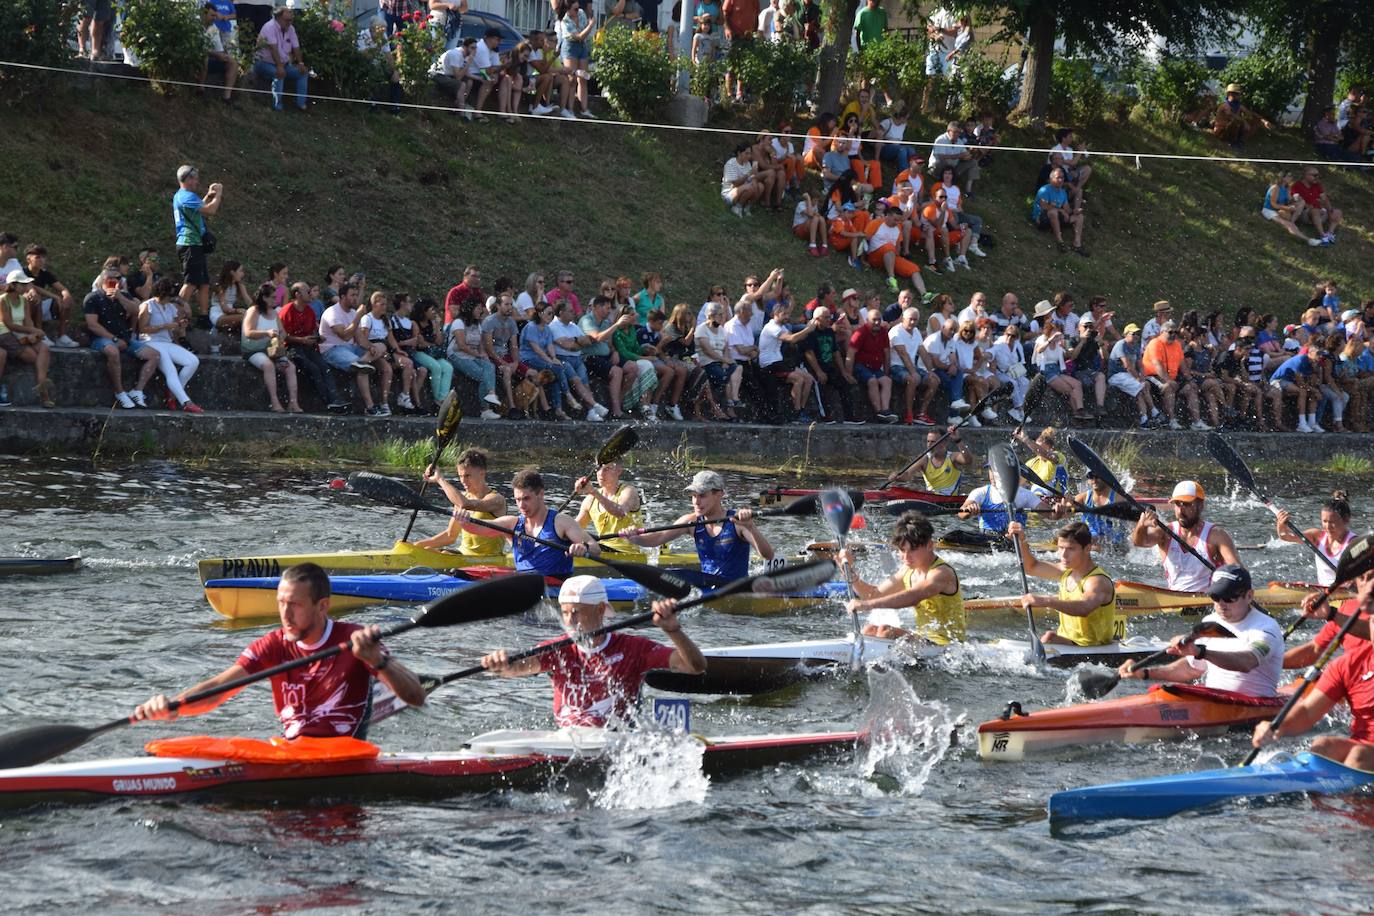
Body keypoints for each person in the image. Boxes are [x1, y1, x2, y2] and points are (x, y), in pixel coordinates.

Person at [133, 563, 425, 738]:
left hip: (345, 758)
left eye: (294, 605)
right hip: (294, 752)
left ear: (322, 606)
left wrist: (378, 660)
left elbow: (415, 696)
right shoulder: (274, 645)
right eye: (280, 603)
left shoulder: (354, 640)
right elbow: (219, 688)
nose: (285, 613)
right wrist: (174, 706)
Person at [479, 576, 705, 727]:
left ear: (599, 610)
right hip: (569, 741)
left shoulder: (634, 648)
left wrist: (673, 630)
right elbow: (519, 667)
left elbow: (695, 667)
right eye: (565, 612)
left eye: (576, 612)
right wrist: (500, 665)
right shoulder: (557, 649)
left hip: (617, 742)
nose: (569, 621)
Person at [1255, 570, 1374, 770]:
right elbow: (1308, 712)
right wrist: (1275, 727)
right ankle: (1323, 798)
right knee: (1322, 746)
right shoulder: (1347, 665)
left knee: (1358, 755)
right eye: (1363, 578)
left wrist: (1331, 614)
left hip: (1363, 754)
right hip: (1364, 744)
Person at [1118, 564, 1282, 698]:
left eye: (1230, 598)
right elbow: (1191, 669)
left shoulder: (1266, 629)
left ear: (1249, 596)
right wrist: (1145, 673)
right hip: (1213, 702)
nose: (1222, 604)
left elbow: (1247, 662)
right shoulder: (1210, 622)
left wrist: (1201, 652)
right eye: (1216, 597)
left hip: (1255, 709)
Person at [626, 469, 774, 582]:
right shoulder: (691, 522)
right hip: (707, 586)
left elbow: (768, 555)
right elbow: (658, 538)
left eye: (702, 496)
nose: (696, 502)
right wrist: (635, 538)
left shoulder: (737, 522)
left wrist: (751, 527)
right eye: (693, 496)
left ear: (719, 495)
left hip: (735, 588)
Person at [452, 468, 600, 578]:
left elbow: (595, 548)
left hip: (555, 584)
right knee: (460, 574)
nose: (521, 505)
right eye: (517, 500)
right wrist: (463, 520)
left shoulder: (561, 522)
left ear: (541, 494)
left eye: (526, 499)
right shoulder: (512, 524)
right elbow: (479, 528)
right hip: (523, 583)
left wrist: (583, 547)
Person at [842, 511, 965, 643]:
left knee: (885, 631)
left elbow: (913, 596)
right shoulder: (908, 570)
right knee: (869, 630)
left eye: (912, 550)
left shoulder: (941, 573)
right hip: (924, 640)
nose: (906, 557)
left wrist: (867, 605)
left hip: (949, 646)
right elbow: (873, 595)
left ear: (930, 545)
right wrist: (849, 570)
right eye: (902, 550)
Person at [1008, 520, 1118, 646]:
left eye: (1071, 549)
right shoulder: (1065, 571)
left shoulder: (1097, 581)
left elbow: (1085, 608)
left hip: (1094, 649)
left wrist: (1046, 601)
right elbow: (1031, 567)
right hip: (1069, 643)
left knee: (1049, 637)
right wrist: (1021, 541)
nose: (1063, 555)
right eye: (1061, 548)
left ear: (1087, 549)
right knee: (1050, 637)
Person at [1132, 480, 1240, 592]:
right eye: (1177, 504)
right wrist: (1141, 525)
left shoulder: (1216, 536)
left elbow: (1237, 570)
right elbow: (1139, 542)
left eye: (1187, 504)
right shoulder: (1165, 532)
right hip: (1174, 601)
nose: (1181, 510)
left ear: (1201, 506)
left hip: (1206, 601)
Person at [84, 264, 161, 409]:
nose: (113, 281)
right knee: (113, 352)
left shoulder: (124, 296)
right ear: (102, 280)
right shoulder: (92, 298)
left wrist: (119, 297)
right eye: (110, 278)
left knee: (154, 355)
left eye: (117, 278)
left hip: (124, 338)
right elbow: (92, 325)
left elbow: (136, 310)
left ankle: (137, 390)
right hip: (101, 339)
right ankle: (119, 392)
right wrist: (113, 339)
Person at [414, 448, 509, 556]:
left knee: (440, 553)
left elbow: (466, 504)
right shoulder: (462, 497)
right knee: (425, 550)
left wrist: (440, 479)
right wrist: (416, 546)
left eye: (467, 476)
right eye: (460, 476)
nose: (463, 481)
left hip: (489, 560)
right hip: (463, 555)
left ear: (482, 473)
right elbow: (450, 536)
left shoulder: (496, 499)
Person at [279, 281, 348, 411]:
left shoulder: (309, 311)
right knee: (313, 368)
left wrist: (317, 338)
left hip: (308, 347)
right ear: (297, 294)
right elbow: (282, 335)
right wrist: (301, 340)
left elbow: (310, 332)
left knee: (324, 367)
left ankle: (335, 399)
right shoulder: (287, 310)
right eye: (307, 292)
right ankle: (329, 402)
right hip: (291, 348)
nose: (311, 294)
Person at [137, 278, 202, 414]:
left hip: (166, 342)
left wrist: (180, 326)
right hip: (151, 342)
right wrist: (164, 326)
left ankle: (173, 392)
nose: (171, 299)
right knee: (170, 370)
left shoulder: (170, 307)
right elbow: (142, 329)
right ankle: (186, 402)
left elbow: (173, 330)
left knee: (193, 361)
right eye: (169, 296)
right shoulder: (147, 305)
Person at [320, 283, 382, 415]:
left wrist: (371, 347)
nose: (355, 298)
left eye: (356, 295)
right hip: (332, 349)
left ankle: (362, 363)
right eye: (352, 295)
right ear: (343, 297)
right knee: (361, 368)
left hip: (350, 349)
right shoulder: (332, 312)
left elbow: (360, 338)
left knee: (381, 347)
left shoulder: (353, 312)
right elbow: (345, 335)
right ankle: (370, 407)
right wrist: (358, 316)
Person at [171, 165, 223, 321]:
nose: (197, 181)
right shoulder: (186, 196)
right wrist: (218, 194)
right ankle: (174, 315)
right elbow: (210, 210)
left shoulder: (183, 196)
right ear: (187, 179)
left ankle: (203, 317)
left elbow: (200, 207)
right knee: (191, 282)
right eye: (194, 178)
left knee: (204, 283)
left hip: (195, 244)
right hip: (190, 244)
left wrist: (208, 195)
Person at [241, 280, 301, 413]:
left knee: (290, 367)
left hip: (273, 351)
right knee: (268, 365)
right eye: (273, 297)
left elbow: (283, 332)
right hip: (253, 350)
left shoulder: (274, 313)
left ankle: (293, 403)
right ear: (264, 298)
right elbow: (248, 332)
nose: (277, 300)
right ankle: (274, 402)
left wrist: (280, 338)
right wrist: (267, 333)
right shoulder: (254, 311)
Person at [0, 270, 56, 407]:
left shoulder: (23, 300)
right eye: (23, 284)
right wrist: (32, 331)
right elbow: (9, 324)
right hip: (5, 333)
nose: (26, 287)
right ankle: (44, 391)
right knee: (32, 356)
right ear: (14, 285)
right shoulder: (2, 300)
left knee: (44, 348)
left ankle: (43, 387)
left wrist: (32, 334)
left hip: (21, 332)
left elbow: (28, 321)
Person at [1275, 492, 1355, 588]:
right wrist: (1281, 524)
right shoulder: (1317, 536)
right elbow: (1286, 536)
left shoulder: (1355, 544)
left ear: (1346, 520)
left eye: (1332, 522)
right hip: (1323, 593)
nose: (1328, 527)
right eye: (1324, 521)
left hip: (1346, 593)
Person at [1143, 319, 1208, 431]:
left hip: (1171, 376)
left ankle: (1196, 422)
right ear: (1161, 332)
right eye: (1170, 332)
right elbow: (1157, 366)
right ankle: (1172, 421)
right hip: (1153, 376)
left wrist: (1190, 379)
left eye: (1175, 332)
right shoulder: (1155, 343)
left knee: (1191, 388)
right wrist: (1169, 380)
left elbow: (1182, 365)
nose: (1173, 335)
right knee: (1169, 387)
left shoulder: (1177, 345)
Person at [958, 463, 1054, 535]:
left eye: (997, 470)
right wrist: (969, 510)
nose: (992, 475)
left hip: (1014, 539)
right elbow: (961, 513)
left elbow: (1050, 514)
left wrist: (1058, 510)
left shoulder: (1025, 494)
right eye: (991, 470)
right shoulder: (980, 492)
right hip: (987, 538)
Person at [575, 460, 645, 556]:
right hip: (600, 549)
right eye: (599, 469)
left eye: (607, 469)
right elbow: (574, 528)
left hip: (626, 553)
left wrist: (594, 492)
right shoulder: (590, 500)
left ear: (619, 471)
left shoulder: (628, 491)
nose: (601, 473)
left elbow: (620, 512)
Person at [888, 305, 938, 425]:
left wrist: (930, 371)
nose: (912, 322)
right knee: (912, 380)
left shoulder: (916, 332)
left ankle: (921, 413)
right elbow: (903, 354)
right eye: (910, 319)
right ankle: (909, 414)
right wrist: (914, 373)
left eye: (915, 320)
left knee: (934, 381)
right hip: (896, 366)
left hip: (911, 366)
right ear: (903, 319)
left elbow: (923, 352)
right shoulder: (896, 331)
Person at [21, 244, 79, 349]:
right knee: (35, 296)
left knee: (67, 301)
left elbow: (63, 289)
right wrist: (54, 296)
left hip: (40, 307)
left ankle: (62, 336)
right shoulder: (22, 272)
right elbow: (32, 287)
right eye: (38, 257)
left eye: (43, 257)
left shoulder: (45, 274)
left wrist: (66, 295)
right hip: (25, 307)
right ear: (28, 259)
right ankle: (40, 335)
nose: (42, 260)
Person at [253, 4, 309, 111]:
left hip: (283, 63)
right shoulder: (269, 27)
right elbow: (273, 49)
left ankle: (301, 104)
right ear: (278, 18)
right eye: (287, 20)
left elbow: (296, 47)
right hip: (263, 63)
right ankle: (277, 105)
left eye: (291, 20)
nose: (289, 22)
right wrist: (279, 66)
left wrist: (301, 63)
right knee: (279, 73)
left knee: (303, 73)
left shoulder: (290, 28)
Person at [1107, 322, 1160, 428]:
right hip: (1116, 376)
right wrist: (1139, 379)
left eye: (1137, 334)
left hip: (1127, 375)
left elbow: (1140, 365)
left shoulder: (1136, 346)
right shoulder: (1121, 345)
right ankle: (1154, 413)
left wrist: (1142, 377)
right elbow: (1128, 366)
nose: (1136, 336)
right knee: (1140, 387)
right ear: (1126, 334)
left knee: (1143, 387)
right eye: (1133, 333)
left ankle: (1145, 419)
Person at [848, 307, 897, 423]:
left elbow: (886, 353)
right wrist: (848, 374)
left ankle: (886, 410)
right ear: (867, 320)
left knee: (887, 381)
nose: (877, 323)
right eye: (874, 320)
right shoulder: (860, 332)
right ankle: (879, 412)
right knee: (872, 381)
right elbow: (850, 354)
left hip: (875, 367)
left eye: (879, 320)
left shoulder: (884, 332)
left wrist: (886, 372)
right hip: (861, 366)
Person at [1032, 167, 1087, 256]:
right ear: (1051, 179)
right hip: (1041, 219)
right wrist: (1060, 210)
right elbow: (1044, 206)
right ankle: (1060, 242)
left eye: (1062, 177)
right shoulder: (1045, 190)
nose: (1061, 180)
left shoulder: (1063, 192)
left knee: (1079, 217)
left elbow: (1067, 209)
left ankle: (1077, 244)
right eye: (1058, 177)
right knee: (1053, 212)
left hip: (1057, 218)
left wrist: (1074, 211)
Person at [1261, 171, 1324, 247]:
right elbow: (1273, 204)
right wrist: (1287, 208)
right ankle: (1308, 240)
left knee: (1302, 202)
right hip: (1270, 210)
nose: (1290, 178)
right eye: (1288, 176)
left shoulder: (1287, 188)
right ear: (1282, 177)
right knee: (1288, 225)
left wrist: (1295, 199)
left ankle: (1292, 221)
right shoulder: (1276, 188)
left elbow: (1288, 201)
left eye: (1291, 176)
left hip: (1280, 209)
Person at [905, 425, 972, 495]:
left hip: (950, 500)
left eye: (933, 442)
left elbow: (968, 460)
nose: (929, 445)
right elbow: (907, 474)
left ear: (944, 443)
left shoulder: (953, 457)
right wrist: (896, 476)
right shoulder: (924, 460)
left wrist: (958, 440)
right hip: (930, 497)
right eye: (928, 441)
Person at [1290, 166, 1343, 245]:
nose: (1317, 177)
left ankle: (1329, 233)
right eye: (1314, 175)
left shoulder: (1317, 185)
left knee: (1337, 212)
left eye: (1318, 175)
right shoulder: (1297, 186)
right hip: (1304, 213)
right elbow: (1295, 200)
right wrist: (1309, 206)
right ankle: (1323, 236)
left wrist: (1330, 210)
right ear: (1306, 175)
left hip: (1319, 211)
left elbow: (1324, 199)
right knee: (1315, 210)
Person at [200, 1, 240, 104]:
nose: (214, 18)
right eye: (212, 15)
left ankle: (226, 97)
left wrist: (223, 56)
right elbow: (197, 49)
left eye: (215, 15)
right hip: (196, 58)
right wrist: (216, 54)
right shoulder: (195, 25)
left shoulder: (214, 28)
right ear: (204, 14)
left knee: (233, 62)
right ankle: (200, 90)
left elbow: (219, 50)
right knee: (204, 58)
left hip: (211, 57)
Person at [1213, 83, 1270, 150]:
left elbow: (1250, 113)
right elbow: (1231, 115)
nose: (1236, 96)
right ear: (1229, 94)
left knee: (1254, 122)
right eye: (1234, 94)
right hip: (1222, 131)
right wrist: (1244, 121)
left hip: (1233, 129)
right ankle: (1232, 142)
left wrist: (1262, 120)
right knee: (1236, 122)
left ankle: (1240, 141)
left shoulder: (1238, 105)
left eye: (1237, 94)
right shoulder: (1224, 106)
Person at [1015, 425, 1068, 496]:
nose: (1038, 451)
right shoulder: (1031, 463)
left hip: (1058, 498)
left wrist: (1025, 439)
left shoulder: (1058, 457)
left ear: (1051, 448)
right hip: (1037, 499)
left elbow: (1044, 453)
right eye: (1036, 447)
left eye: (1041, 448)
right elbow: (1019, 483)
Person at [1047, 127, 1091, 210]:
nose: (1072, 138)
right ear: (1063, 138)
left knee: (1087, 169)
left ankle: (1075, 192)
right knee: (1072, 179)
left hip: (1067, 174)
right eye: (1070, 136)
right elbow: (1072, 162)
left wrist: (1073, 169)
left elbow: (1072, 165)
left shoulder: (1069, 149)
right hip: (1057, 175)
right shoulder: (1056, 150)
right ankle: (1071, 194)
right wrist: (1080, 152)